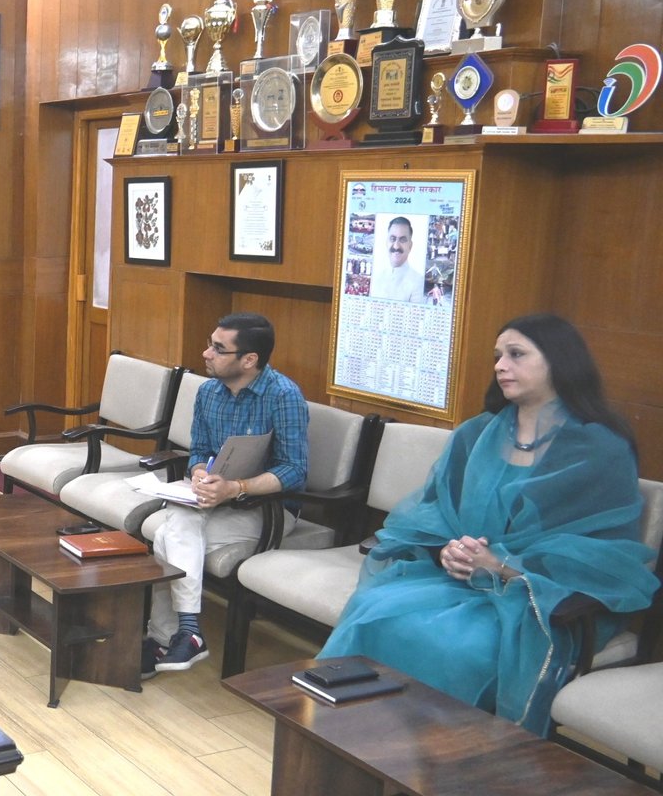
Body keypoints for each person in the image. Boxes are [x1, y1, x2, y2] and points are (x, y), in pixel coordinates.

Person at [321, 314, 657, 734]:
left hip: (539, 600)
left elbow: (601, 556)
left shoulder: (599, 447)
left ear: (559, 360)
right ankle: (355, 739)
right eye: (497, 356)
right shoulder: (476, 433)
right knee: (374, 612)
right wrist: (448, 551)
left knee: (458, 648)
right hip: (457, 583)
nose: (500, 365)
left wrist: (499, 566)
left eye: (516, 354)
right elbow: (434, 510)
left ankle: (438, 756)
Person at [143, 313, 309, 673]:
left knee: (166, 537)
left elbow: (295, 470)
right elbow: (199, 451)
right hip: (213, 500)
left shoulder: (283, 396)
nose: (206, 354)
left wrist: (236, 488)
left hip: (269, 509)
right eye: (210, 344)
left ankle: (166, 637)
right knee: (178, 521)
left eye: (218, 349)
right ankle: (186, 635)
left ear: (249, 360)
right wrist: (200, 473)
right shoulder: (208, 392)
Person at [369, 216, 426, 303]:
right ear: (386, 242)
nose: (396, 246)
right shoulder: (376, 277)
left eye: (402, 240)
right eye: (392, 239)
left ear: (410, 246)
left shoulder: (418, 282)